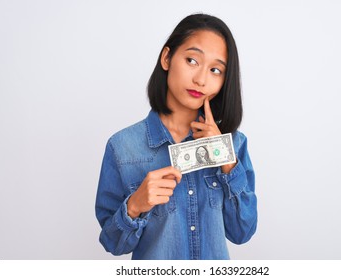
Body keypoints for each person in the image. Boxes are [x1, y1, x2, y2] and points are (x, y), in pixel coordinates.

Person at [95, 13, 257, 260]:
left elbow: (242, 232)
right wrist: (135, 205)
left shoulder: (234, 144)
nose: (201, 79)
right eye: (192, 60)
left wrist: (225, 161)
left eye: (215, 70)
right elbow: (113, 243)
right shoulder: (123, 147)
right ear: (167, 58)